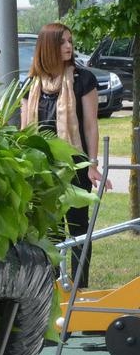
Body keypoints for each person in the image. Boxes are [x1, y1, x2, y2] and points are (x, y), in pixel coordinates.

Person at [20, 21, 106, 287]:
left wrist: (92, 164)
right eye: (62, 42)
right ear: (47, 46)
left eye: (70, 41)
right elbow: (25, 131)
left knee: (78, 227)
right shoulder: (31, 84)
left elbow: (91, 126)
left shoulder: (83, 79)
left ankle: (79, 288)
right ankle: (53, 288)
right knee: (49, 229)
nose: (68, 46)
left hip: (75, 164)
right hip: (42, 166)